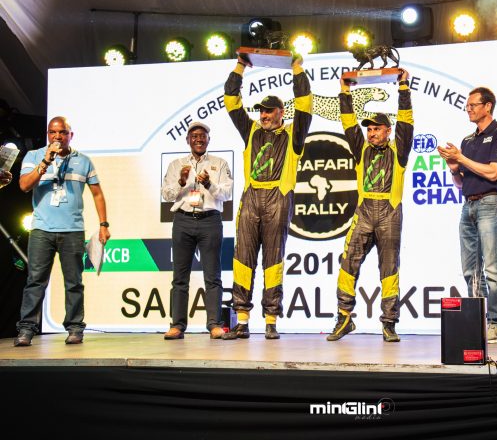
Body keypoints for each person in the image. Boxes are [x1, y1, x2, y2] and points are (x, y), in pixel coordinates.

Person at [222, 53, 312, 340]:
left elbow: (305, 104)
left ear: (281, 112)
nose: (263, 115)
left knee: (273, 261)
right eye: (261, 110)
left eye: (269, 111)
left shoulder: (293, 135)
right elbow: (231, 100)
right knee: (242, 260)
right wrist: (240, 66)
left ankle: (271, 320)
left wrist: (297, 69)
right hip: (250, 201)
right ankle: (243, 320)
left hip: (278, 199)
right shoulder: (250, 131)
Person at [327, 69, 413, 343]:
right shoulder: (360, 148)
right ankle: (343, 318)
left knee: (389, 270)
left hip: (390, 214)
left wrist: (403, 88)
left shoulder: (399, 150)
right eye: (370, 129)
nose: (371, 133)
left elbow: (407, 121)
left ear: (388, 130)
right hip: (363, 214)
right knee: (347, 264)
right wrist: (344, 91)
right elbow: (348, 121)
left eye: (377, 128)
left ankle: (389, 323)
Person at [14, 116, 110, 346]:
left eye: (62, 133)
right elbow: (24, 185)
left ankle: (75, 328)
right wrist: (45, 163)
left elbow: (97, 193)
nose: (57, 137)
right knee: (35, 281)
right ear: (48, 135)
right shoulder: (34, 156)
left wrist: (103, 224)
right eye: (52, 133)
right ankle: (26, 329)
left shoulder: (83, 161)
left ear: (70, 135)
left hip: (72, 230)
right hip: (41, 230)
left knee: (74, 282)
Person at [437, 87, 497, 344]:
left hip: (491, 203)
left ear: (488, 106)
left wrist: (461, 158)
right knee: (470, 269)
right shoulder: (468, 141)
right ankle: (476, 323)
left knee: (492, 267)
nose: (468, 109)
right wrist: (453, 168)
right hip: (467, 206)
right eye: (467, 106)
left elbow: (494, 173)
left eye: (473, 105)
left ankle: (496, 324)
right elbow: (461, 185)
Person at [161, 122, 233, 340]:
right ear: (188, 140)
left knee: (213, 276)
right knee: (179, 277)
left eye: (203, 136)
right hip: (183, 220)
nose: (199, 139)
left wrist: (210, 183)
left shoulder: (219, 164)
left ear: (208, 140)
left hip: (210, 221)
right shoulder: (177, 165)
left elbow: (227, 193)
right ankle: (177, 325)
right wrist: (182, 182)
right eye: (194, 136)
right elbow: (166, 194)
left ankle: (214, 325)